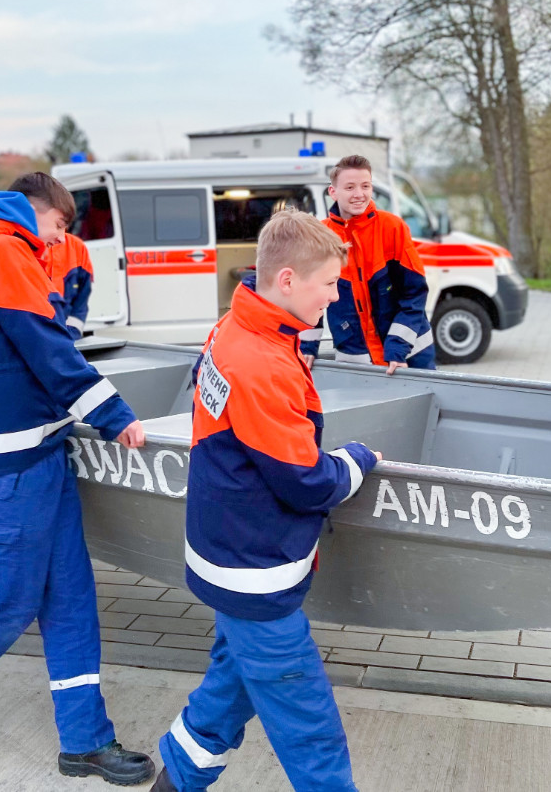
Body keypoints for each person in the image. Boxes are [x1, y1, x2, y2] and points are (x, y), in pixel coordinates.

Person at [0, 179, 155, 786]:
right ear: (34, 211)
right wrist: (115, 415)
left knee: (70, 599)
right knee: (8, 600)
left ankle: (85, 742)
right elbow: (50, 351)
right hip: (9, 464)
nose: (62, 237)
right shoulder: (6, 255)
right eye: (60, 224)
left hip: (37, 450)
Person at [154, 210, 379, 792]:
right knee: (311, 730)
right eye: (328, 282)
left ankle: (176, 779)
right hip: (254, 572)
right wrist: (356, 463)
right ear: (287, 283)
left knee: (228, 689)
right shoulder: (260, 360)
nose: (335, 295)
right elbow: (304, 479)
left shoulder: (237, 328)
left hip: (229, 551)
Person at [318, 156, 434, 373]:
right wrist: (307, 346)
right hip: (355, 357)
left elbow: (414, 294)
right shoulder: (321, 236)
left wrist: (397, 348)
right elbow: (309, 296)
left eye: (365, 186)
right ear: (333, 192)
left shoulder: (393, 227)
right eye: (350, 187)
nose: (359, 194)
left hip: (409, 356)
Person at [40, 200, 94, 339]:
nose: (62, 238)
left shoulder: (77, 248)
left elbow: (82, 298)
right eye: (58, 225)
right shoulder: (23, 250)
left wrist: (71, 334)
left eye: (64, 226)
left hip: (67, 338)